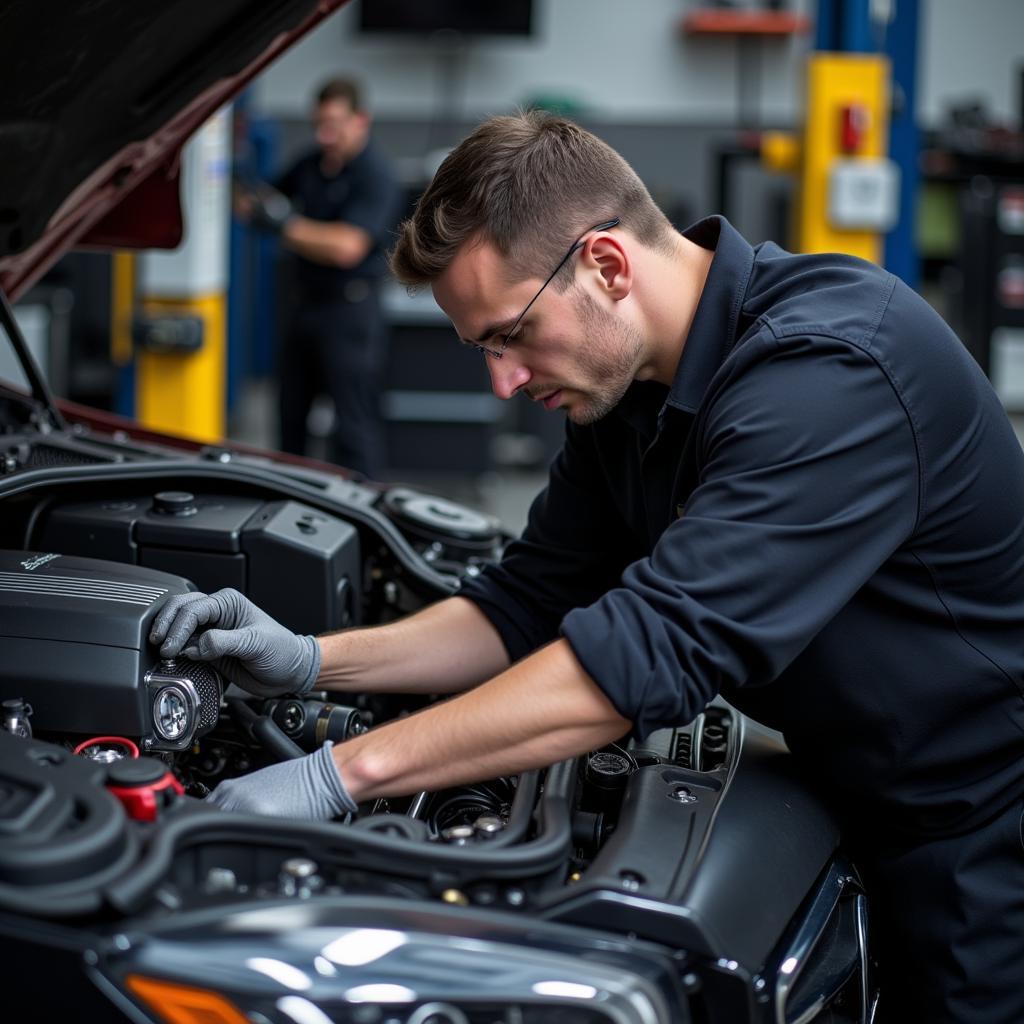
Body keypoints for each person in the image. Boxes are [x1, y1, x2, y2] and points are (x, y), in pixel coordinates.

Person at [153, 111, 1024, 1020]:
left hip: (977, 823)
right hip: (848, 781)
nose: (504, 382)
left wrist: (334, 777)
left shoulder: (831, 378)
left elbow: (646, 657)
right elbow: (523, 603)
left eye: (510, 335)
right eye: (484, 351)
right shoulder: (627, 390)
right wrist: (313, 658)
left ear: (607, 266)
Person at [238, 76, 402, 478]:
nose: (326, 134)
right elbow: (254, 200)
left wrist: (285, 226)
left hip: (351, 314)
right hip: (304, 307)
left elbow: (347, 247)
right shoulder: (310, 163)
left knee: (352, 427)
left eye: (335, 123)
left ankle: (365, 518)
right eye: (319, 125)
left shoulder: (375, 174)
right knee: (289, 422)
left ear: (361, 119)